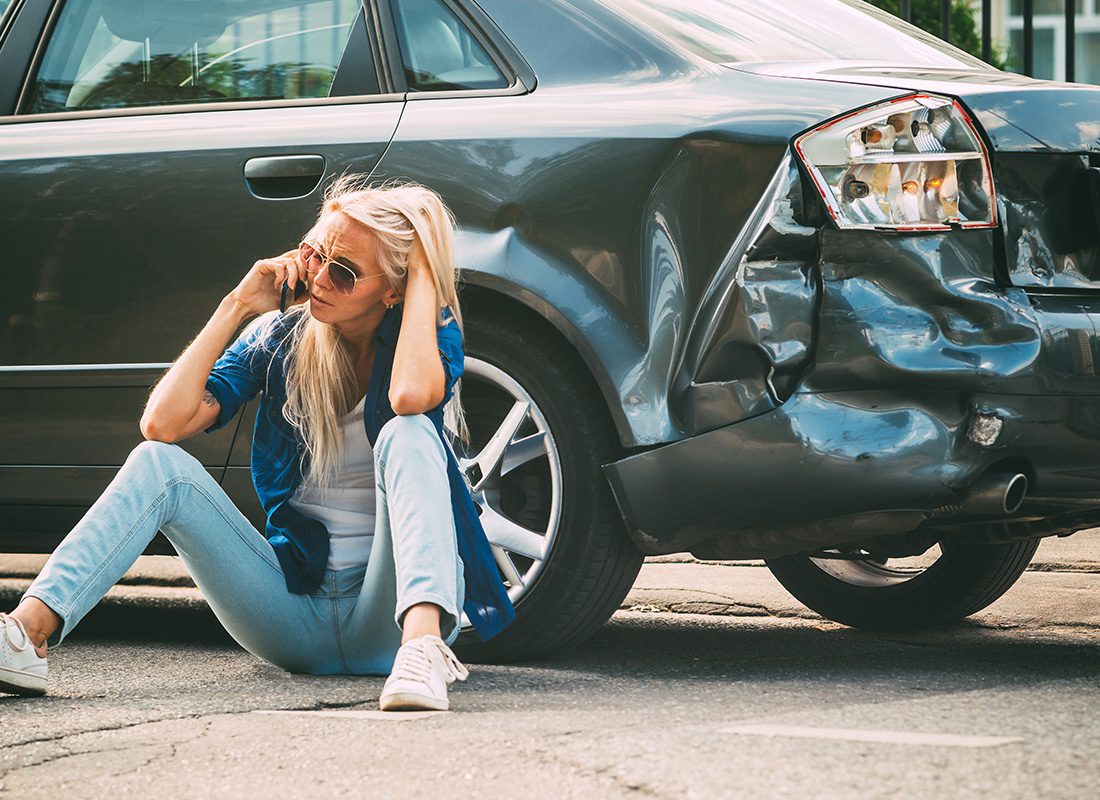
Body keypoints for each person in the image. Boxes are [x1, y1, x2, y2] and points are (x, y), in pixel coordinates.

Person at [0, 177, 515, 710]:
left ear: (394, 289)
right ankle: (26, 633)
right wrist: (238, 305)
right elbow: (162, 425)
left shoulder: (432, 337)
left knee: (410, 431)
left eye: (343, 273)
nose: (318, 279)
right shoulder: (280, 337)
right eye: (315, 255)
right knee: (159, 464)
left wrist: (425, 276)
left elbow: (409, 397)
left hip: (388, 617)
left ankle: (423, 650)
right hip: (291, 616)